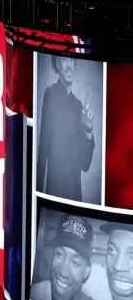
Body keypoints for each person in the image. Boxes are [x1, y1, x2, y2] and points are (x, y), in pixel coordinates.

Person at [37, 55, 95, 202]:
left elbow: (85, 165)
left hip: (76, 196)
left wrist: (88, 132)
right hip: (55, 193)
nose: (69, 65)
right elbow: (43, 148)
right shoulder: (50, 94)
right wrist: (37, 194)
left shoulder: (79, 106)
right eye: (64, 59)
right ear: (57, 63)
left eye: (72, 60)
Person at [30, 214, 95, 300]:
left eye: (75, 262)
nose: (63, 272)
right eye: (59, 254)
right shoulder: (34, 293)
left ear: (87, 271)